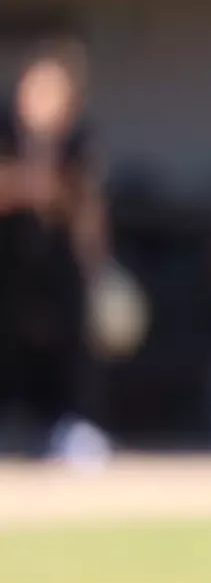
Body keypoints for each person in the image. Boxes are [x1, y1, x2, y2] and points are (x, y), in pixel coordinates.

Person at [0, 41, 112, 466]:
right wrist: (25, 184)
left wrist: (100, 267)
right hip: (10, 262)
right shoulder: (5, 130)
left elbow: (87, 202)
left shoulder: (80, 138)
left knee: (70, 342)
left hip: (61, 265)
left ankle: (73, 428)